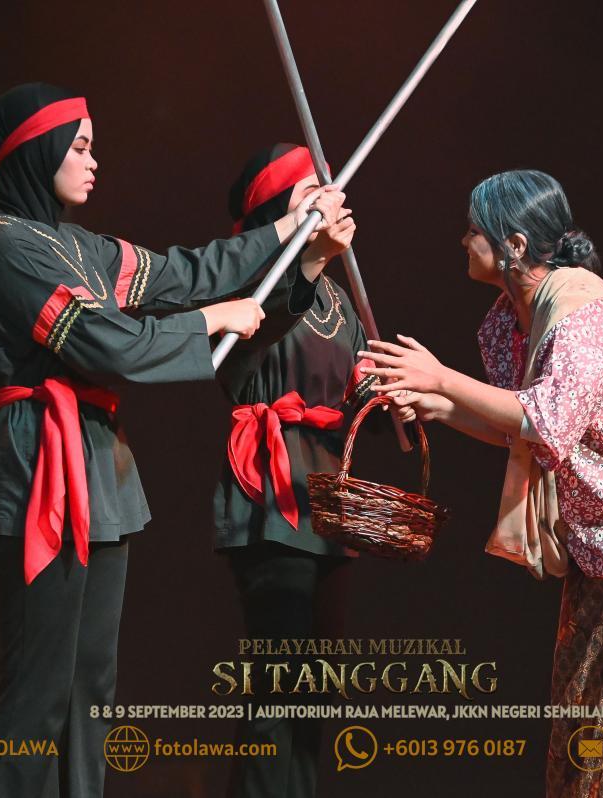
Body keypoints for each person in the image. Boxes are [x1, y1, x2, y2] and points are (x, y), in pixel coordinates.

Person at [0, 84, 347, 798]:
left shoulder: (83, 247)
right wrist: (209, 321)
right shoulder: (3, 247)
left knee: (91, 686)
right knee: (39, 686)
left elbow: (187, 272)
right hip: (36, 461)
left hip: (98, 462)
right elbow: (104, 343)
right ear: (38, 151)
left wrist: (291, 230)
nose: (93, 161)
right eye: (79, 147)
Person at [361, 170, 603, 797]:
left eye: (474, 229)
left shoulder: (581, 314)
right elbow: (526, 429)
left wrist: (440, 379)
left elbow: (544, 417)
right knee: (586, 717)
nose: (463, 240)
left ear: (514, 245)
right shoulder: (510, 320)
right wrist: (438, 405)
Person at [214, 144, 384, 798]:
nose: (328, 197)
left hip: (328, 501)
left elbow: (351, 386)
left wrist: (385, 394)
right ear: (276, 209)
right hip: (271, 489)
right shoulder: (252, 280)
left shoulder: (339, 293)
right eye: (309, 190)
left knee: (314, 693)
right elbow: (238, 364)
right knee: (277, 686)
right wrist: (307, 262)